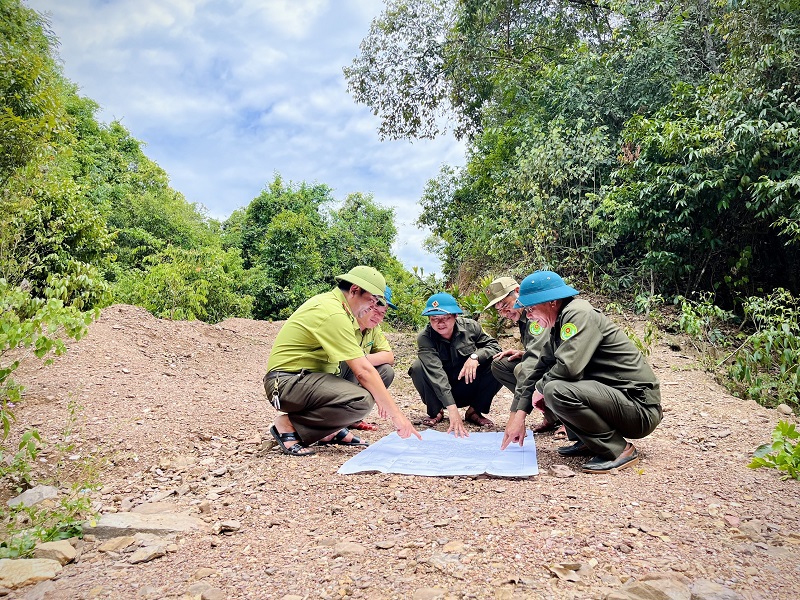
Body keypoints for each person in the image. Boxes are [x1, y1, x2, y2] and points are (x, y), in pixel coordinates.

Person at [500, 271, 662, 474]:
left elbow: (569, 368)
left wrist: (539, 390)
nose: (528, 314)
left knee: (555, 389)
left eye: (531, 308)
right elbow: (539, 367)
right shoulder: (558, 323)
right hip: (616, 402)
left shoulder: (578, 313)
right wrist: (519, 414)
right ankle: (590, 441)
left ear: (552, 302)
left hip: (639, 408)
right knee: (549, 385)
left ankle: (618, 450)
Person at [265, 266, 421, 456]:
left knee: (382, 372)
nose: (373, 308)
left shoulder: (345, 312)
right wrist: (398, 416)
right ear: (354, 290)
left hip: (313, 378)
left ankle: (331, 428)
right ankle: (289, 424)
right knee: (361, 401)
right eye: (371, 300)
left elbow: (375, 362)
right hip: (285, 383)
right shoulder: (333, 312)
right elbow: (362, 371)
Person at [408, 292, 503, 438]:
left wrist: (475, 356)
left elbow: (494, 347)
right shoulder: (425, 337)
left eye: (445, 318)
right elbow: (436, 374)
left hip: (467, 384)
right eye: (434, 319)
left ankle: (474, 410)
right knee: (418, 368)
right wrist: (452, 410)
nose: (440, 323)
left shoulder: (471, 327)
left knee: (499, 363)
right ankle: (436, 411)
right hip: (440, 391)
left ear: (455, 316)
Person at [483, 276, 559, 434]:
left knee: (522, 369)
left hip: (570, 368)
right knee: (501, 364)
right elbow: (545, 348)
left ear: (518, 292)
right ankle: (552, 414)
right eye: (499, 310)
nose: (504, 313)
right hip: (555, 363)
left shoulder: (536, 312)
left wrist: (516, 416)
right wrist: (525, 353)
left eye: (505, 305)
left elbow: (535, 362)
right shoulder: (524, 317)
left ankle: (568, 420)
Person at [340, 286, 398, 432]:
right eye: (375, 310)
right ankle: (336, 418)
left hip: (356, 375)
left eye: (382, 314)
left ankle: (353, 416)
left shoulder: (374, 328)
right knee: (353, 365)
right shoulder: (345, 321)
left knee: (386, 371)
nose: (378, 317)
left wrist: (362, 359)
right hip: (335, 377)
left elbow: (389, 356)